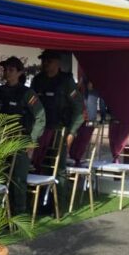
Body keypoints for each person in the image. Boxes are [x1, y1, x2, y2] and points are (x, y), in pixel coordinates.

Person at [30, 50, 84, 207]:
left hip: (59, 131)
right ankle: (38, 203)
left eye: (49, 61)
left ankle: (58, 205)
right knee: (37, 166)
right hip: (40, 131)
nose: (45, 64)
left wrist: (72, 132)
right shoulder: (37, 80)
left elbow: (78, 108)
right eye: (43, 61)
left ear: (58, 63)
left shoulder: (66, 81)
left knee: (58, 168)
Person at [0, 56, 45, 214]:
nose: (7, 72)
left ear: (19, 73)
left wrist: (32, 141)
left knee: (18, 179)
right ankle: (3, 214)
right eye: (5, 69)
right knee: (0, 177)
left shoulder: (27, 93)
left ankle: (20, 214)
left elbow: (40, 117)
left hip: (20, 141)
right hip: (1, 140)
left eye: (11, 70)